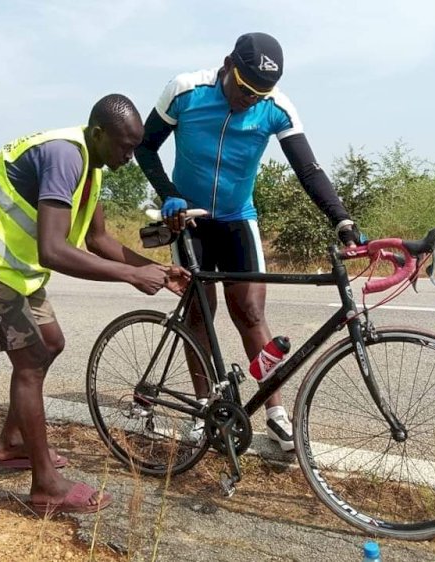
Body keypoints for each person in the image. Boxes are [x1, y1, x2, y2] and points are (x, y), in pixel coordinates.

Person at [0, 94, 189, 516]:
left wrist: (159, 272)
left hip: (10, 266)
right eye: (125, 146)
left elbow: (99, 241)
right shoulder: (65, 157)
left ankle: (12, 443)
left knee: (50, 343)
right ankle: (45, 487)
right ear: (97, 133)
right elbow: (53, 250)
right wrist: (129, 276)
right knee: (31, 361)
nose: (130, 156)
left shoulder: (91, 166)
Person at [135, 33, 362, 452]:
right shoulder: (186, 91)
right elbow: (145, 148)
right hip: (191, 221)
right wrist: (168, 192)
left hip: (239, 219)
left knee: (252, 313)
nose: (249, 100)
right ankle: (204, 407)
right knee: (200, 316)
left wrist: (342, 219)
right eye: (244, 89)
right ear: (227, 66)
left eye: (261, 93)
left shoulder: (275, 108)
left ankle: (274, 411)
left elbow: (309, 170)